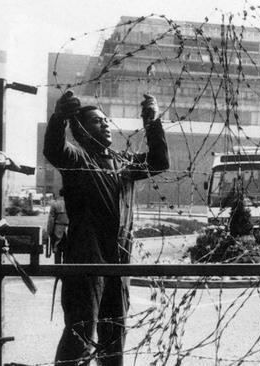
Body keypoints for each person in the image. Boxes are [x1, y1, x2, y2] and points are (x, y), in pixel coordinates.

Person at [44, 91, 169, 366]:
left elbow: (160, 161)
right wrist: (58, 118)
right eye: (97, 121)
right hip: (87, 264)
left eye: (105, 120)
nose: (105, 124)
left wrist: (152, 122)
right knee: (81, 335)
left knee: (114, 340)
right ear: (81, 131)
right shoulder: (77, 160)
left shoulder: (123, 163)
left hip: (119, 265)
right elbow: (54, 149)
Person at [47, 189, 68, 264]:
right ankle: (66, 271)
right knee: (67, 251)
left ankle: (57, 271)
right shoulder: (72, 204)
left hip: (57, 230)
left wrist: (49, 232)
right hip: (69, 230)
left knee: (57, 251)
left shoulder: (55, 204)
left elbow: (51, 221)